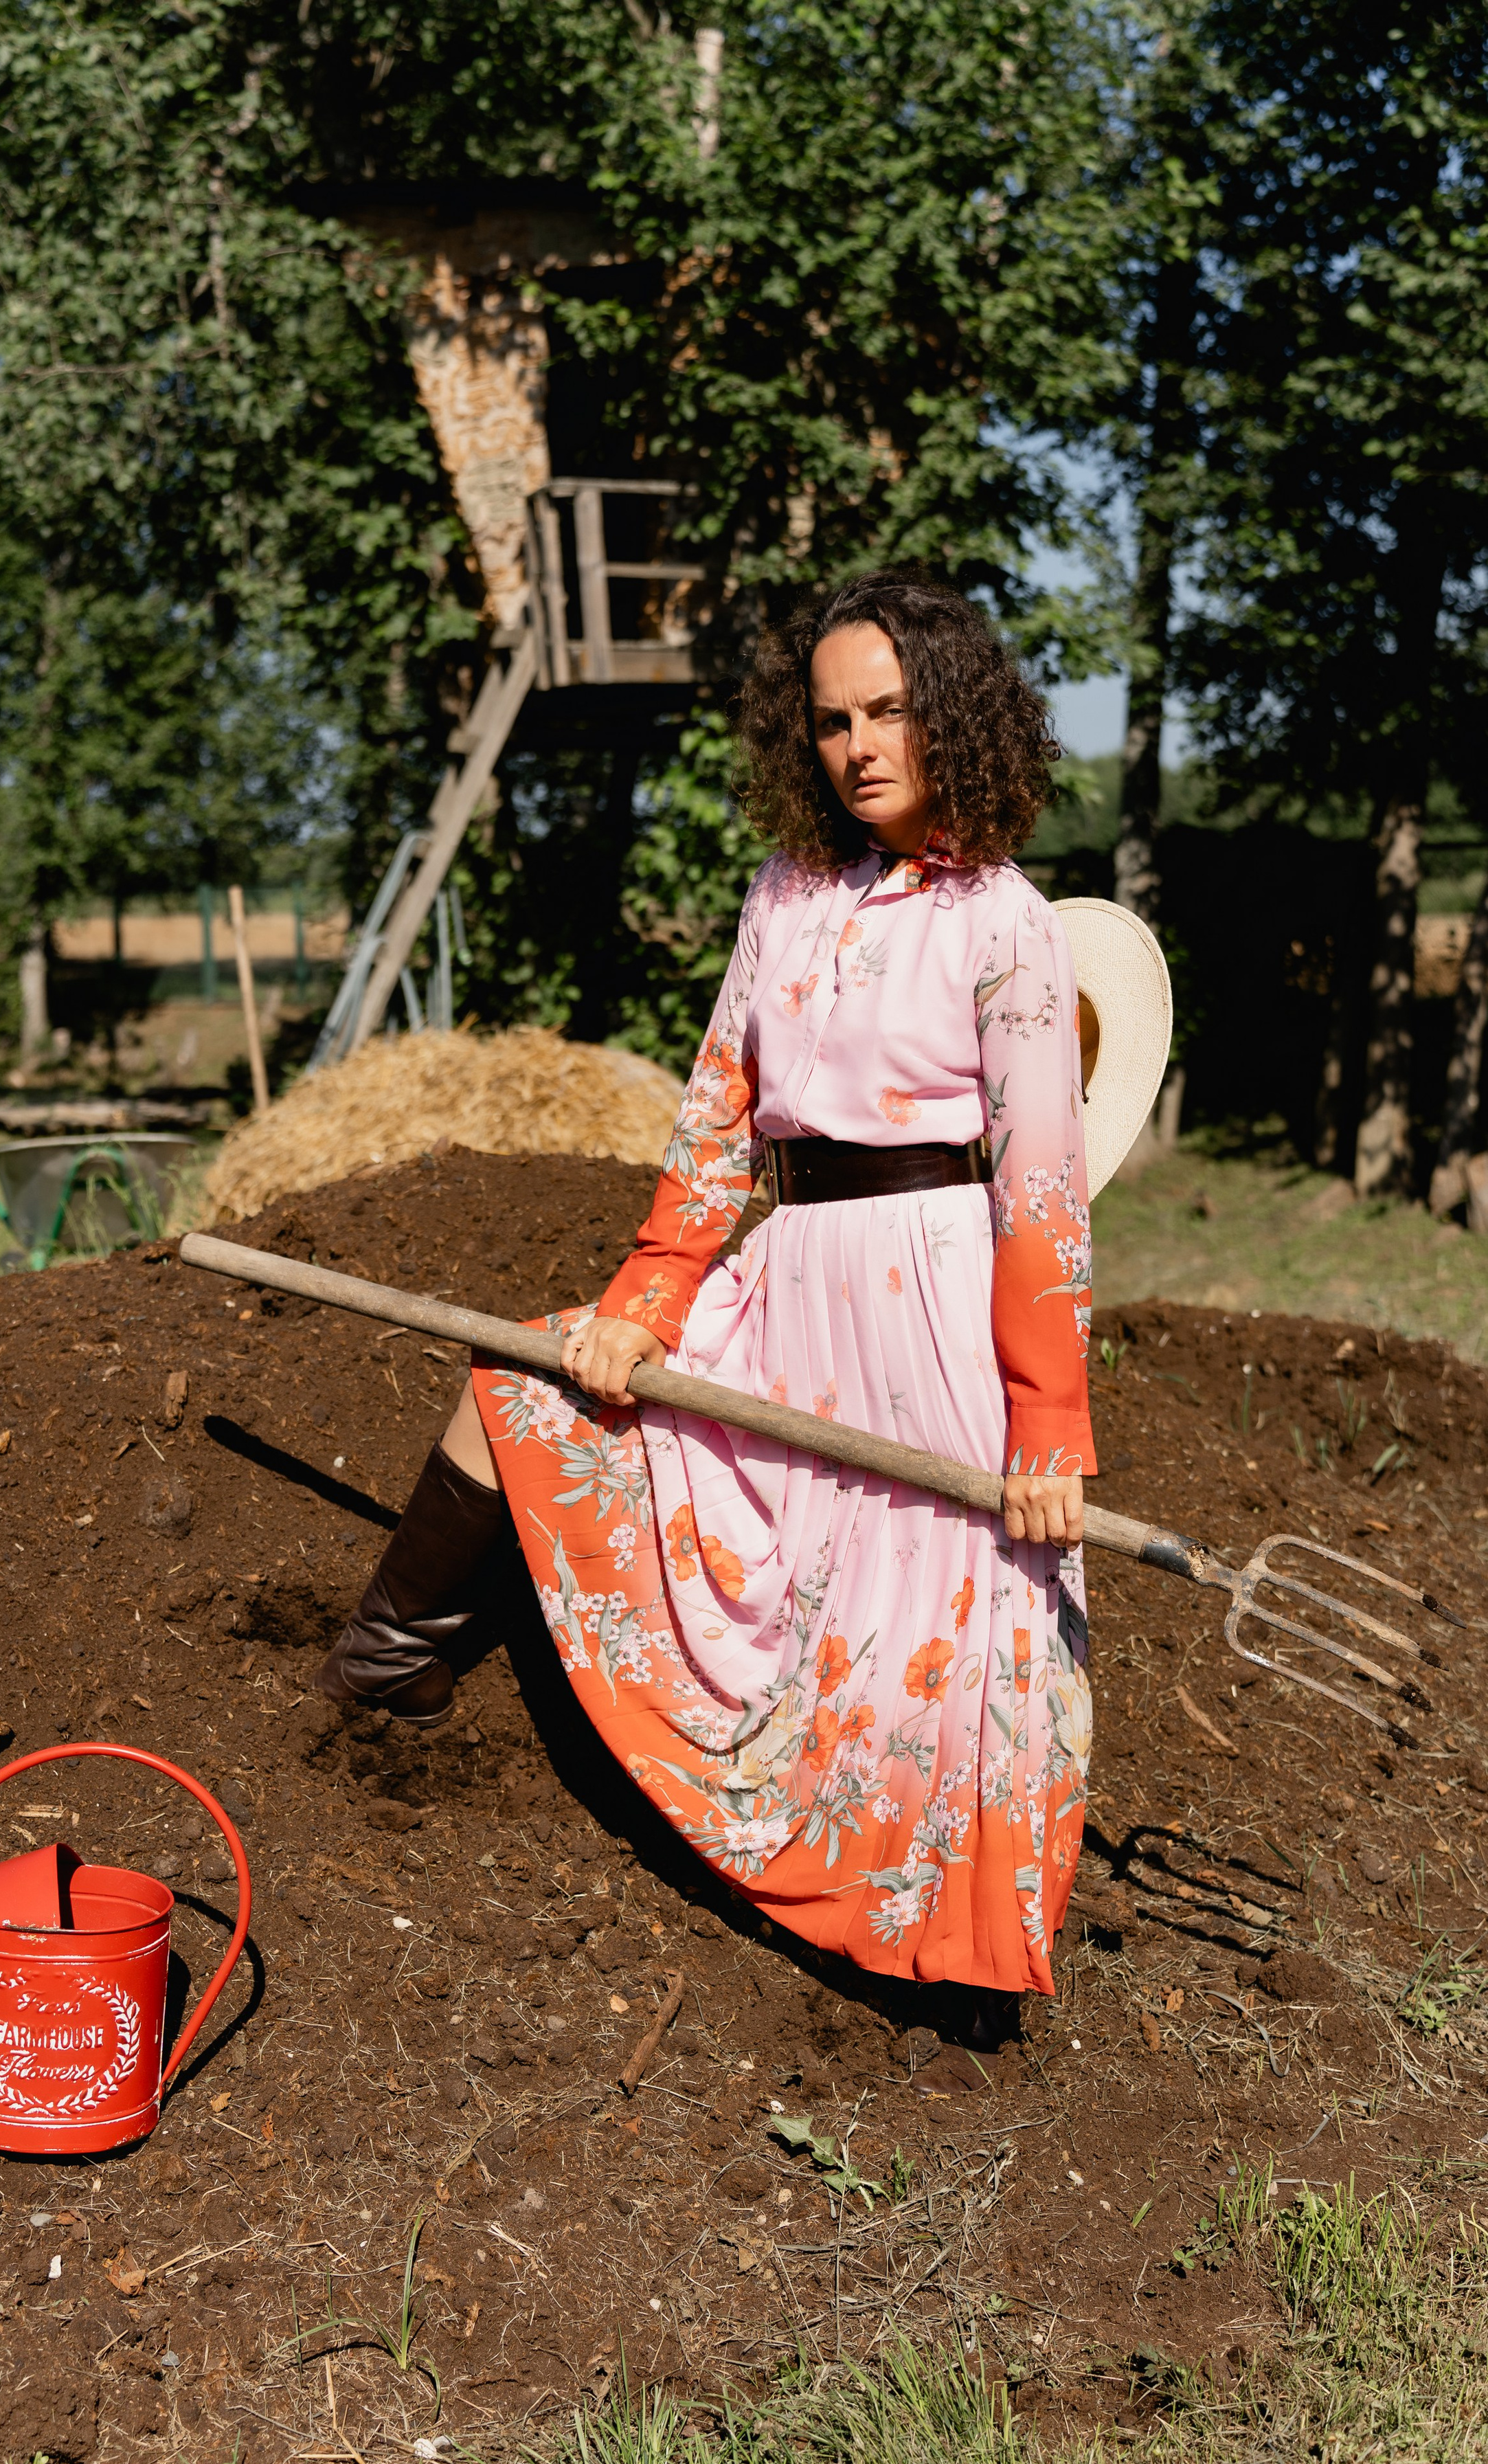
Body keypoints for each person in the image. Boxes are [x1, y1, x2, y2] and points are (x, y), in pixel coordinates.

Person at [319, 570, 1095, 2037]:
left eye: (888, 713)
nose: (858, 747)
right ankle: (386, 1665)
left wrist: (1046, 1421)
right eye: (832, 722)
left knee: (917, 1636)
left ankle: (924, 1957)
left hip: (928, 1297)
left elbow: (1041, 1184)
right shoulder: (784, 894)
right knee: (536, 1377)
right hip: (786, 1271)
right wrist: (653, 1291)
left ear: (955, 717)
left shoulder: (1006, 922)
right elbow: (716, 1113)